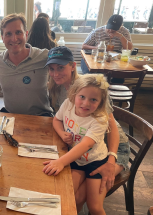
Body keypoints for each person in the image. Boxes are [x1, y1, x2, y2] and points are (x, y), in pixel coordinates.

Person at [46, 46, 130, 213]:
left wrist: (111, 160)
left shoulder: (92, 88)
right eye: (52, 69)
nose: (55, 73)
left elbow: (111, 128)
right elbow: (60, 119)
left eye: (61, 67)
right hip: (81, 151)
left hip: (111, 148)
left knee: (85, 201)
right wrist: (63, 133)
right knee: (69, 195)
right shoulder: (58, 90)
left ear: (72, 66)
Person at [44, 74, 110, 214]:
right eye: (82, 97)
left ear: (101, 102)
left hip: (95, 162)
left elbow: (85, 145)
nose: (86, 104)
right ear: (74, 94)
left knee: (95, 207)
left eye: (93, 100)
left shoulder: (100, 119)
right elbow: (56, 120)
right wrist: (62, 133)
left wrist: (61, 162)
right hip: (75, 160)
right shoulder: (68, 104)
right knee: (67, 196)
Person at [0, 13, 53, 116]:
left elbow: (65, 74)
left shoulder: (44, 56)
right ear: (2, 38)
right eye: (8, 34)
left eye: (18, 32)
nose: (14, 39)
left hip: (41, 116)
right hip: (11, 116)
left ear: (26, 34)